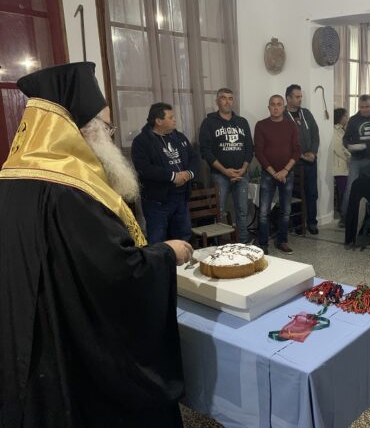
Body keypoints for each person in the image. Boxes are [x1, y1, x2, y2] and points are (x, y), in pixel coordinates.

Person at [0, 62, 192, 427]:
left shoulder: (11, 176)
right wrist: (166, 254)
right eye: (106, 126)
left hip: (25, 340)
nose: (110, 134)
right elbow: (116, 274)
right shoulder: (72, 193)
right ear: (83, 130)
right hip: (74, 358)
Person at [131, 102, 199, 244]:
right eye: (171, 117)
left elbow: (194, 157)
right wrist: (173, 177)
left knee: (183, 237)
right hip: (157, 201)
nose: (175, 120)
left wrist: (189, 174)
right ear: (159, 121)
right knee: (158, 240)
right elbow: (144, 169)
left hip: (181, 198)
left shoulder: (179, 137)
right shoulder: (141, 141)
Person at [199, 88, 254, 244]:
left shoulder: (242, 122)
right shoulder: (209, 122)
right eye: (223, 98)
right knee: (219, 211)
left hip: (241, 174)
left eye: (230, 98)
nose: (227, 101)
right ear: (217, 101)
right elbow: (206, 152)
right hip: (219, 175)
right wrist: (225, 171)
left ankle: (243, 242)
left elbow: (249, 148)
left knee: (242, 211)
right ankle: (216, 245)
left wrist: (243, 169)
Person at [254, 95, 301, 254]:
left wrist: (285, 170)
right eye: (273, 104)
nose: (276, 107)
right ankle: (263, 244)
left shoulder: (291, 125)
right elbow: (259, 152)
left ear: (284, 107)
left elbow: (297, 151)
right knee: (264, 211)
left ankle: (282, 241)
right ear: (269, 107)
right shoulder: (261, 125)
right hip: (268, 174)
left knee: (286, 210)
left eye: (279, 104)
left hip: (287, 173)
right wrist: (274, 173)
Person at [341, 94, 370, 217]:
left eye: (367, 107)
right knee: (351, 188)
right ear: (358, 106)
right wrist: (349, 146)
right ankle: (346, 216)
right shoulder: (353, 120)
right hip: (356, 159)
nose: (365, 109)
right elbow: (345, 139)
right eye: (362, 107)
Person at [284, 84, 320, 234]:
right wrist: (299, 155)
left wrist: (313, 152)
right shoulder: (283, 116)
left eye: (301, 96)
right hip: (294, 162)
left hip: (310, 161)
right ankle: (298, 225)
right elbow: (284, 141)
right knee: (296, 194)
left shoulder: (306, 113)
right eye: (297, 97)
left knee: (312, 193)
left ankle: (311, 222)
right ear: (288, 98)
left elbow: (315, 134)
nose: (300, 99)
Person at [333, 107, 350, 218]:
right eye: (345, 116)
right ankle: (343, 214)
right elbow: (339, 148)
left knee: (345, 190)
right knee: (343, 190)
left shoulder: (342, 130)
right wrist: (351, 157)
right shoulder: (335, 131)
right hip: (340, 166)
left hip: (346, 165)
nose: (346, 118)